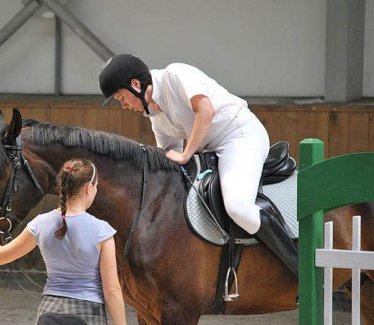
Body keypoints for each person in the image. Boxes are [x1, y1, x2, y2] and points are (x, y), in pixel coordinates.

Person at [98, 53, 298, 278]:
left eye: (121, 97)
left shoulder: (176, 75)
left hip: (239, 136)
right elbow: (166, 156)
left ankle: (299, 266)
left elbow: (206, 110)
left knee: (238, 206)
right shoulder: (155, 115)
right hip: (211, 151)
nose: (124, 106)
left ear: (135, 84)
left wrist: (186, 154)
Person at [0, 158, 126, 325]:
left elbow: (1, 256)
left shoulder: (40, 223)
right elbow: (112, 290)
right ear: (88, 188)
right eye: (96, 186)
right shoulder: (102, 230)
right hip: (87, 313)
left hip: (49, 311)